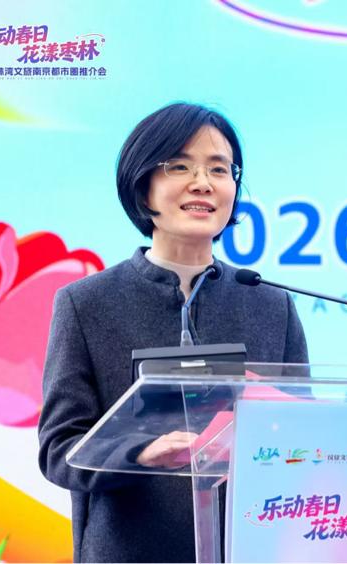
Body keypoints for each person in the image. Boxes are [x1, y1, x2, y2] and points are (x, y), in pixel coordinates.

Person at [37, 102, 308, 563]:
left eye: (219, 169)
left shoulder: (271, 305)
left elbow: (302, 436)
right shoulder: (86, 304)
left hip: (248, 549)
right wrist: (140, 453)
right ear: (143, 186)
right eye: (180, 166)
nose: (203, 182)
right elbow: (59, 450)